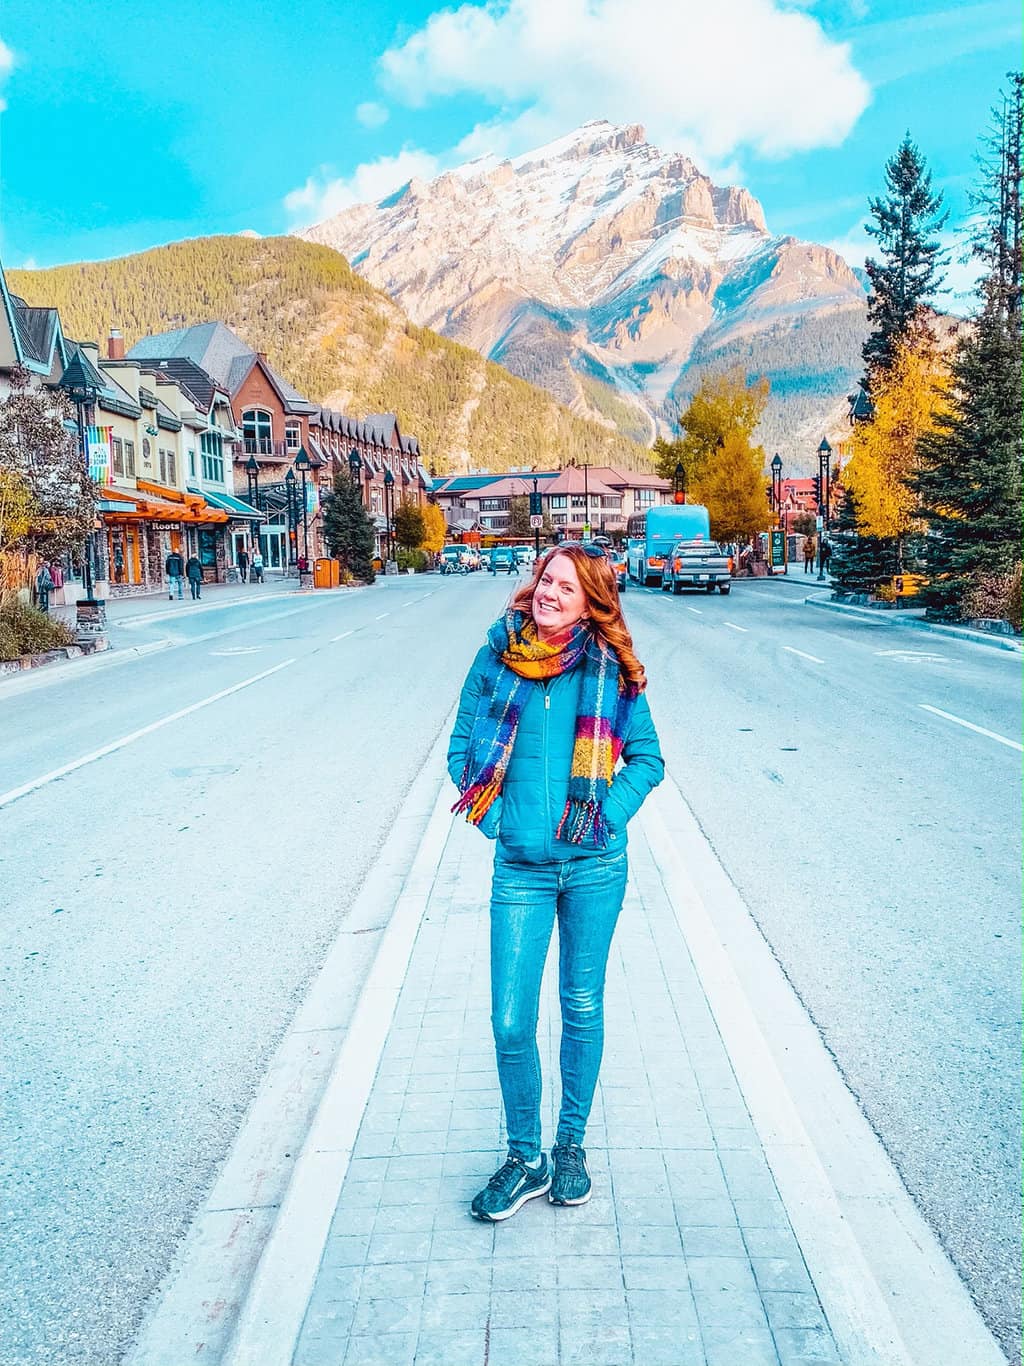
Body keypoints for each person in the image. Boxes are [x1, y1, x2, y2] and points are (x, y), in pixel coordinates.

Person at [448, 543, 664, 1221]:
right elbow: (461, 752)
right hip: (522, 870)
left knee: (581, 1005)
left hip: (596, 866)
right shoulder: (496, 657)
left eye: (567, 587)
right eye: (547, 579)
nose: (550, 593)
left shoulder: (610, 670)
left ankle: (568, 1146)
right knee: (511, 1019)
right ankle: (525, 1156)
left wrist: (604, 819)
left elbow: (648, 761)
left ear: (590, 602)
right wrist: (501, 824)